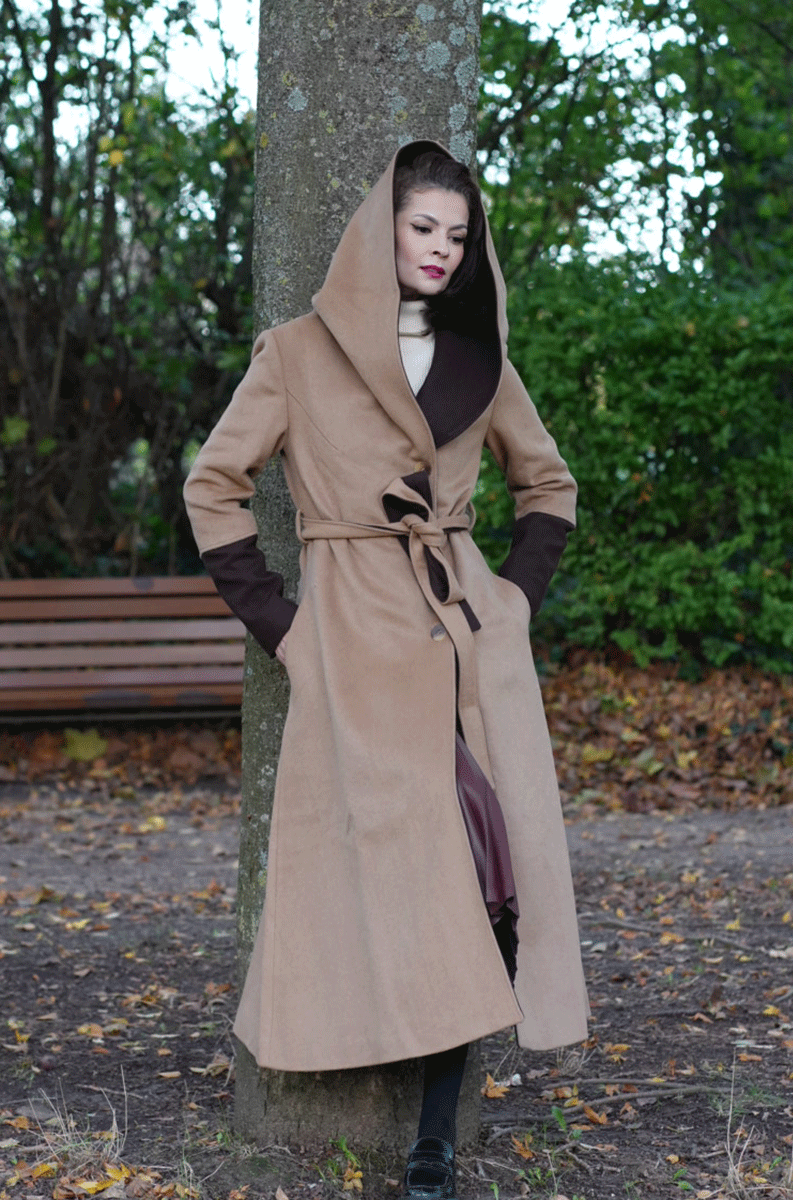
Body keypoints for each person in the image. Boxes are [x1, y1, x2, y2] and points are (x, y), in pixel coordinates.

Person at [183, 139, 588, 1200]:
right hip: (354, 644)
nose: (441, 249)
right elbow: (213, 487)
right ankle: (395, 1099)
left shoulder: (481, 359)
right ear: (382, 230)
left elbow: (547, 485)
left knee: (487, 872)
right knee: (408, 874)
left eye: (458, 235)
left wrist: (512, 598)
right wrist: (283, 627)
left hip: (465, 646)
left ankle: (434, 1137)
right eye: (422, 227)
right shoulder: (294, 353)